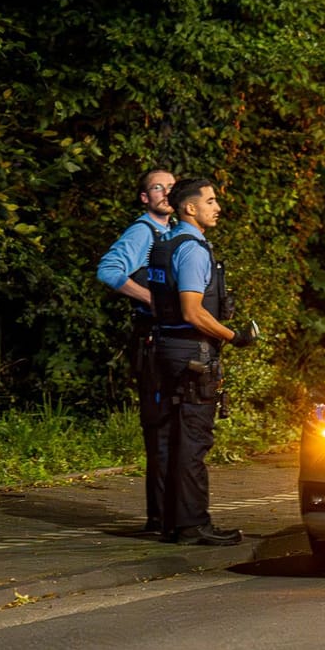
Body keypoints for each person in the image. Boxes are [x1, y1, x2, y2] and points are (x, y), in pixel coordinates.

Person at [144, 177, 253, 547]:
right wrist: (233, 336)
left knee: (171, 439)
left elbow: (163, 305)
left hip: (167, 349)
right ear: (190, 208)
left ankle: (169, 521)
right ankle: (193, 525)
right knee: (193, 441)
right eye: (210, 201)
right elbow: (193, 311)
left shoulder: (164, 244)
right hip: (191, 355)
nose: (216, 207)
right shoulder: (192, 249)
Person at [95, 167, 178, 534]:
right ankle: (158, 518)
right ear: (145, 197)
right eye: (157, 187)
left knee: (174, 432)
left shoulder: (170, 233)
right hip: (152, 344)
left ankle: (170, 514)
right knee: (160, 430)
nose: (165, 193)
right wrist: (153, 300)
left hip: (168, 341)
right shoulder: (142, 232)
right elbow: (109, 271)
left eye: (171, 187)